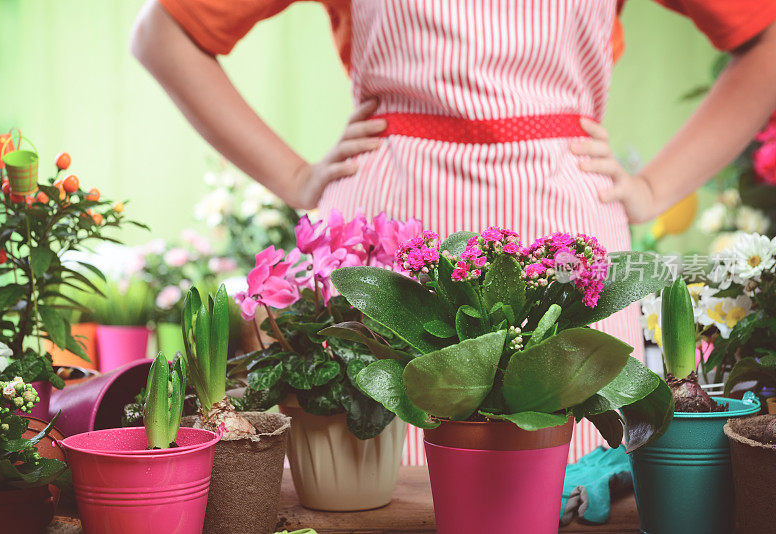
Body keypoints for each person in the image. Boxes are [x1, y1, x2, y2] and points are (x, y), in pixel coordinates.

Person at [130, 0, 776, 463]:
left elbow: (765, 37)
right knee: (375, 478)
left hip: (564, 230)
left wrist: (658, 188)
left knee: (572, 476)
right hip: (389, 232)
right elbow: (163, 34)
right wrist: (297, 176)